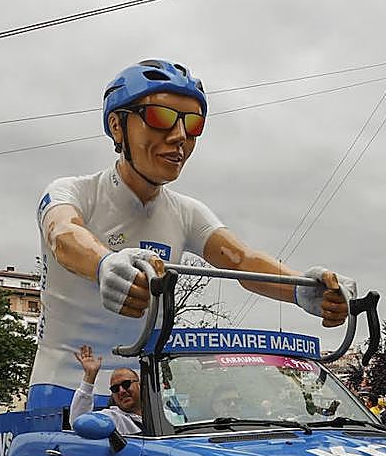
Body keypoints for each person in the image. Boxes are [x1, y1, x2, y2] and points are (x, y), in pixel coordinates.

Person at [30, 59, 354, 411]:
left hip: (145, 388)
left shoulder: (186, 211)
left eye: (193, 123)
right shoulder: (73, 191)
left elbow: (242, 260)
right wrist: (104, 264)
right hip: (66, 380)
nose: (179, 136)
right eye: (161, 118)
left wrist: (300, 286)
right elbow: (63, 233)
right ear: (117, 126)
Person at [70, 344, 148, 436]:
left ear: (139, 384)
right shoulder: (114, 418)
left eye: (126, 384)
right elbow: (79, 423)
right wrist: (90, 375)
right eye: (115, 389)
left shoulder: (165, 414)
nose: (121, 391)